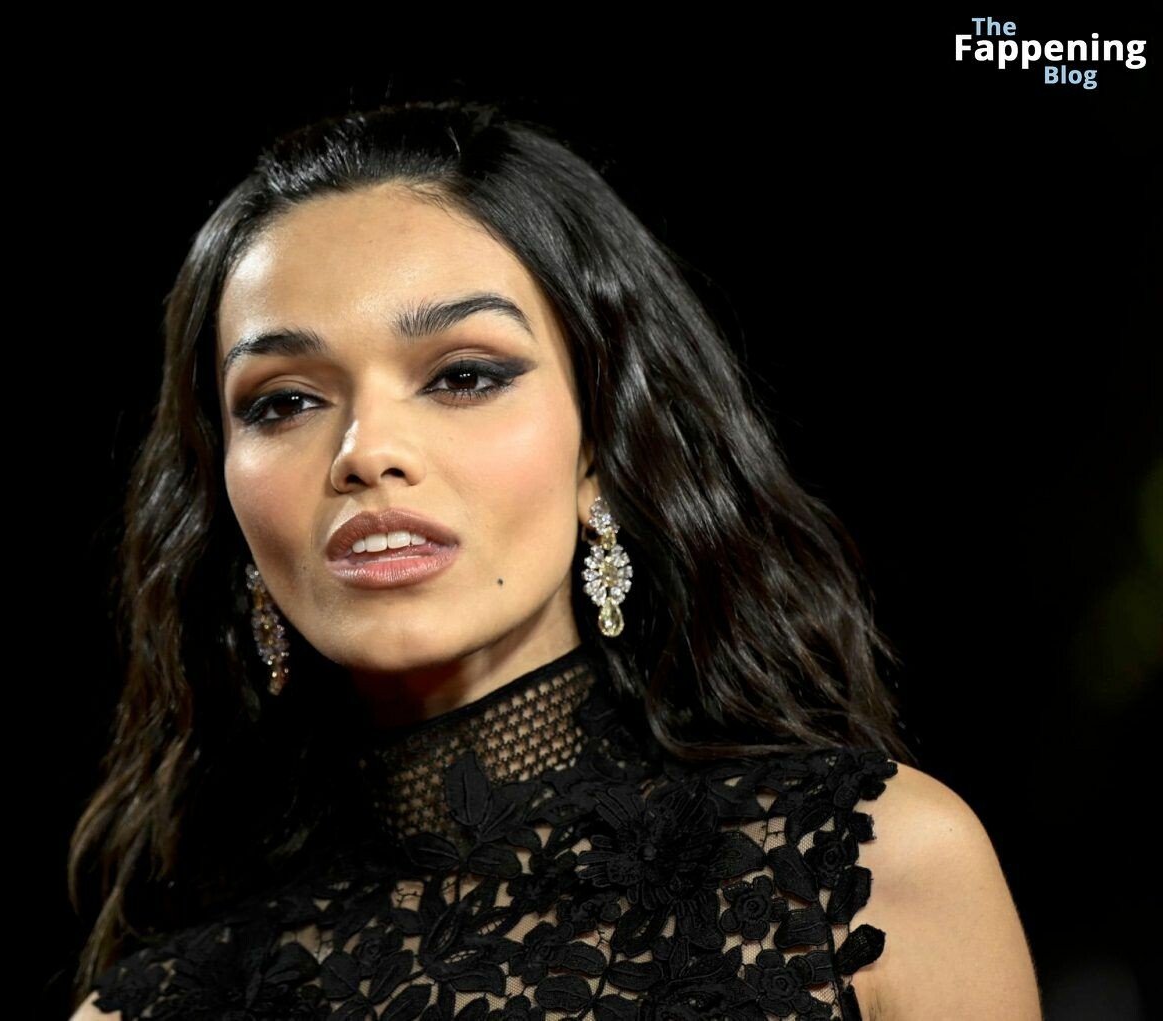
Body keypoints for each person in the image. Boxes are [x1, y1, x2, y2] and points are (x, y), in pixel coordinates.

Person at [64, 99, 1041, 1020]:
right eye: (283, 402)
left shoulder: (870, 873)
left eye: (463, 375)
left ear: (601, 448)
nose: (365, 451)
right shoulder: (150, 1005)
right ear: (223, 488)